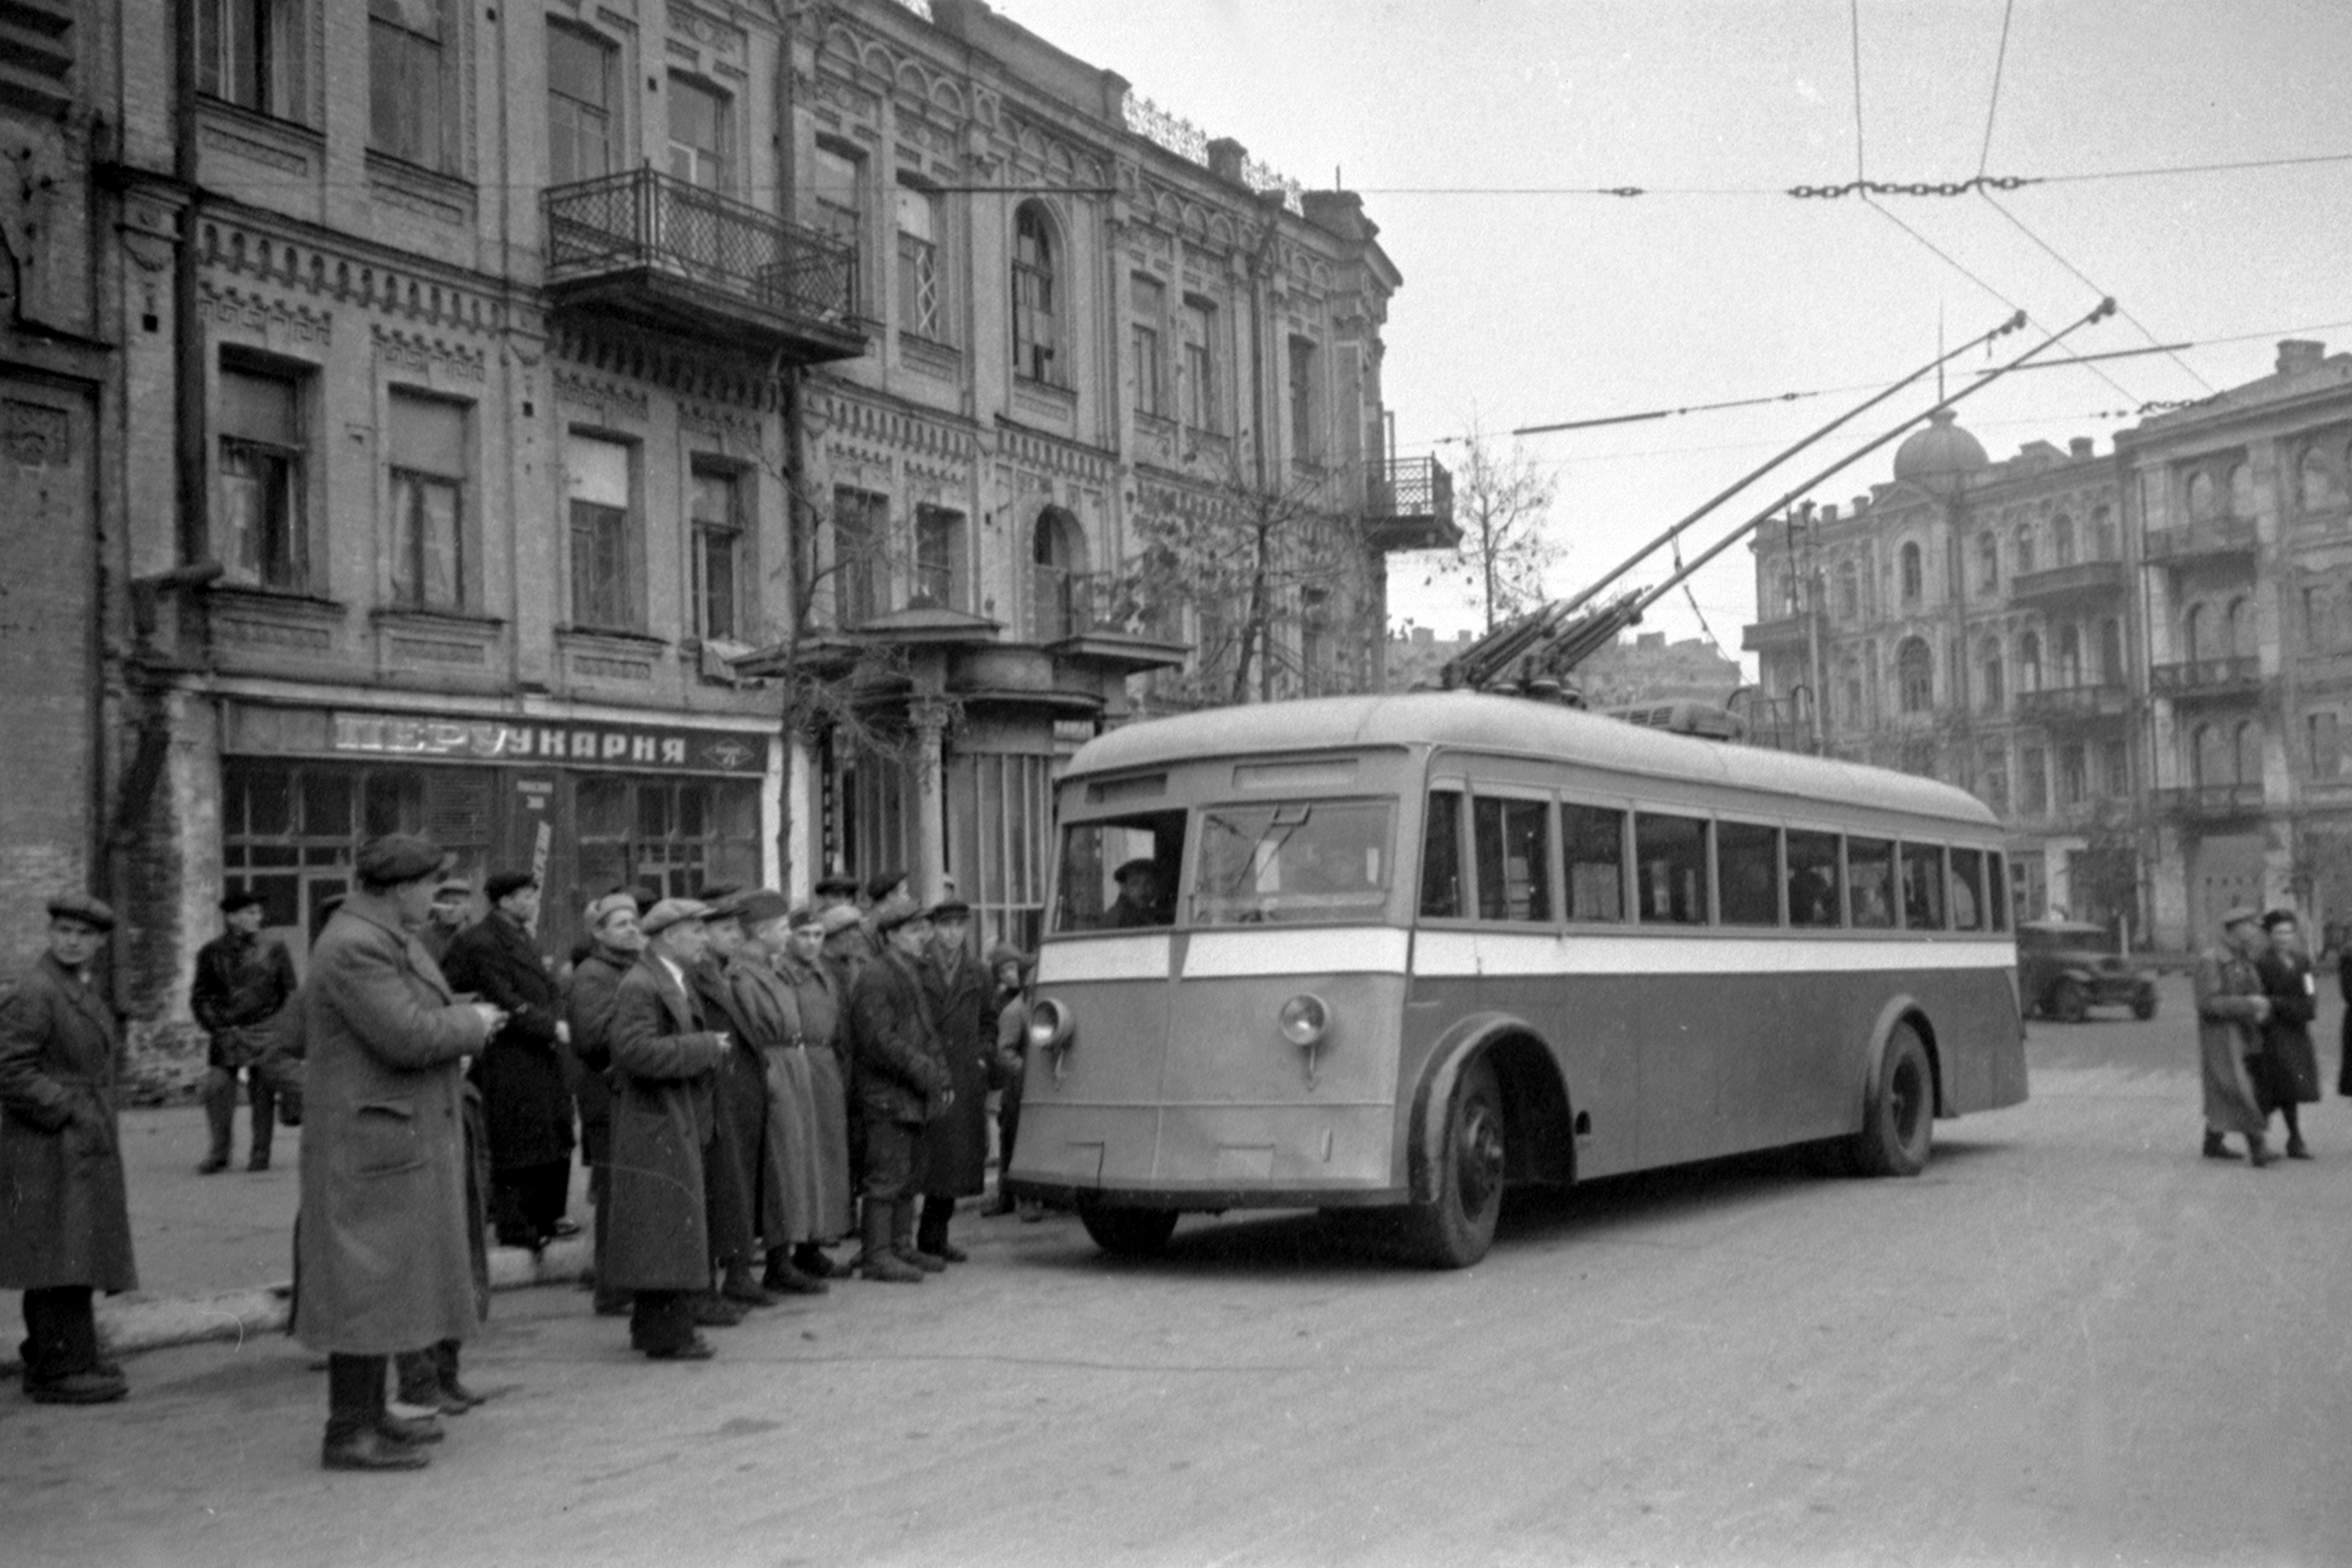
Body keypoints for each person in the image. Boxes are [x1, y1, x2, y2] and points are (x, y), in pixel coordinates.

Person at [294, 835, 504, 1470]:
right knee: (365, 1284)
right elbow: (406, 1035)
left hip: (389, 1138)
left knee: (383, 1284)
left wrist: (462, 1017)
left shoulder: (382, 938)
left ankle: (369, 1414)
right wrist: (475, 1024)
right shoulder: (357, 946)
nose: (436, 899)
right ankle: (347, 1431)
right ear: (400, 888)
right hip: (371, 1144)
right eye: (430, 888)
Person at [1, 893, 136, 1406]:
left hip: (76, 1141)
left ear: (99, 943)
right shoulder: (37, 992)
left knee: (67, 1247)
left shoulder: (73, 986)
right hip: (49, 1144)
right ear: (51, 934)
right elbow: (9, 1069)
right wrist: (66, 1109)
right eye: (63, 932)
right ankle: (60, 1366)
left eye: (83, 935)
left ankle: (56, 1351)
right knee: (60, 1250)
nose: (72, 941)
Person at [604, 898, 734, 1360]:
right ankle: (670, 1333)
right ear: (667, 936)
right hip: (657, 1120)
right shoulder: (642, 984)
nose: (704, 938)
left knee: (668, 1228)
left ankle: (657, 1326)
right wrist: (703, 1048)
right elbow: (634, 1051)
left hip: (671, 1116)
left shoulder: (669, 978)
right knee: (666, 1228)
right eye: (695, 930)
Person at [441, 870, 576, 1251]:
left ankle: (540, 1219)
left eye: (533, 895)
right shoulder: (481, 941)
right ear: (503, 901)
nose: (533, 902)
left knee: (545, 1132)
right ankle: (515, 1225)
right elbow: (503, 997)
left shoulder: (518, 936)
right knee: (516, 1139)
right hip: (506, 1052)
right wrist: (552, 1027)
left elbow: (540, 988)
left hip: (535, 1051)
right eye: (524, 896)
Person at [728, 890, 835, 1295]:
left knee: (793, 1165)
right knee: (780, 1168)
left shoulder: (768, 970)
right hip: (774, 1067)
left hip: (791, 1065)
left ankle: (784, 1256)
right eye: (778, 927)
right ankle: (777, 1260)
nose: (785, 935)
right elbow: (756, 1029)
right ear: (759, 931)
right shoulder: (744, 975)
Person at [845, 902, 952, 1283]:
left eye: (923, 929)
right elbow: (878, 1040)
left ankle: (901, 1246)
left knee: (907, 1174)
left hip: (907, 1092)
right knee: (886, 1176)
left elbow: (926, 1031)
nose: (921, 937)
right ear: (889, 936)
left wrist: (940, 1074)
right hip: (887, 1094)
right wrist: (924, 1070)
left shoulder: (907, 972)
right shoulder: (877, 976)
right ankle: (877, 1254)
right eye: (912, 930)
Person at [686, 894, 779, 1310]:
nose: (736, 937)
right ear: (702, 935)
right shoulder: (697, 977)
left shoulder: (724, 973)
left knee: (738, 1186)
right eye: (725, 930)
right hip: (718, 1093)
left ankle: (738, 1273)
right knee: (719, 1189)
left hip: (740, 1093)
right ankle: (709, 1285)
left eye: (736, 928)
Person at [564, 892, 641, 1315]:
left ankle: (627, 1285)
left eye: (634, 921)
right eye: (620, 924)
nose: (632, 929)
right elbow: (591, 1038)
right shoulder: (593, 975)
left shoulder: (628, 968)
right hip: (606, 1096)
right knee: (616, 1197)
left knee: (630, 1194)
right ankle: (612, 1291)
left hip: (626, 1093)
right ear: (598, 933)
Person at [188, 888, 299, 1174]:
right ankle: (219, 1152)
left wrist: (283, 1029)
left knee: (262, 1091)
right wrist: (216, 1025)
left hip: (265, 1029)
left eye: (258, 912)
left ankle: (260, 1154)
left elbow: (289, 992)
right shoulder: (211, 953)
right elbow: (200, 997)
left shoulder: (274, 948)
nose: (257, 918)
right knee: (216, 1087)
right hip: (228, 1032)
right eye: (250, 913)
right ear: (232, 917)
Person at [775, 906, 856, 1276]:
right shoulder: (783, 974)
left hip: (825, 1065)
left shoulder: (827, 973)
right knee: (800, 1158)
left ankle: (814, 1244)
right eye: (804, 935)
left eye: (818, 935)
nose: (811, 943)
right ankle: (795, 1249)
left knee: (826, 1159)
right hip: (798, 1061)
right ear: (789, 937)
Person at [916, 899, 992, 1264]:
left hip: (963, 1073)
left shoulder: (978, 972)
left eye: (959, 926)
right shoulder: (918, 969)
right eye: (945, 926)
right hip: (929, 1069)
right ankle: (911, 1239)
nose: (952, 934)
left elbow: (989, 1022)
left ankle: (936, 1236)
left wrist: (981, 1056)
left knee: (953, 1161)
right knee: (924, 1158)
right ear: (932, 928)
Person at [2194, 904, 2274, 1167]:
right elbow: (2208, 1004)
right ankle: (2257, 1146)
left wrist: (2257, 1003)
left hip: (2242, 1030)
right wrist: (2250, 1004)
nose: (2254, 930)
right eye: (2250, 925)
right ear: (2236, 928)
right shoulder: (2211, 959)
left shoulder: (2241, 956)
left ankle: (2212, 1142)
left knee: (2227, 1086)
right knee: (2237, 1086)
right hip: (2221, 1034)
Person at [2252, 909, 2321, 1159]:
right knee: (2282, 1084)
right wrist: (2286, 1006)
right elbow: (2262, 999)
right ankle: (2291, 1139)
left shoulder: (2302, 961)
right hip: (2274, 1032)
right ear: (2270, 935)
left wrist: (2304, 1006)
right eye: (2279, 932)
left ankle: (2293, 1139)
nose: (2284, 937)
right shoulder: (2261, 963)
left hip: (2297, 1030)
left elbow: (2310, 993)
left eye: (2289, 932)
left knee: (2287, 1085)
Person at [979, 943, 1038, 1221]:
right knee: (1013, 1140)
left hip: (1035, 1086)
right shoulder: (1015, 1011)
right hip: (1018, 1086)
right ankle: (1015, 1198)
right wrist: (1026, 1071)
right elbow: (1004, 1051)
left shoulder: (1034, 1005)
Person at [416, 879, 473, 967]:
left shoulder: (475, 935)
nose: (450, 909)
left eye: (456, 903)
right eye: (445, 903)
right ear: (437, 907)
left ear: (466, 907)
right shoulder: (424, 934)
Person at [1106, 858, 1165, 928]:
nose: (1142, 889)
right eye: (1135, 883)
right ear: (1124, 887)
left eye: (1148, 883)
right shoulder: (1122, 919)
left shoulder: (1149, 914)